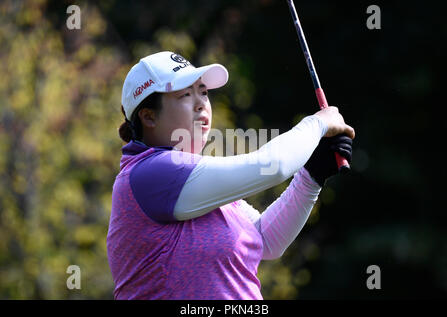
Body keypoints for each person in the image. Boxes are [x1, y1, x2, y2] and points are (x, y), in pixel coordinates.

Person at [106, 51, 355, 300]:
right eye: (184, 94)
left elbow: (266, 239)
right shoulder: (150, 173)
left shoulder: (191, 176)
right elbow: (273, 165)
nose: (201, 103)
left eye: (203, 92)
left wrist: (312, 176)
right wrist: (318, 123)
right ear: (148, 116)